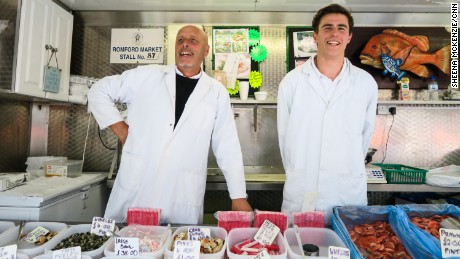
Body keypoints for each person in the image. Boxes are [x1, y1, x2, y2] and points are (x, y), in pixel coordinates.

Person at [88, 25, 252, 224]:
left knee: (176, 248)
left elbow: (228, 147)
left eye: (193, 40)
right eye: (180, 39)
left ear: (206, 51)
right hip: (136, 190)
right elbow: (98, 91)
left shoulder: (217, 93)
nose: (185, 44)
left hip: (181, 197)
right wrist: (122, 131)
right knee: (124, 246)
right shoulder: (146, 76)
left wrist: (238, 196)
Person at [277, 4, 377, 224]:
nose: (334, 34)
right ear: (315, 36)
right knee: (300, 252)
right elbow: (285, 140)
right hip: (303, 193)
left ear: (349, 37)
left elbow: (364, 137)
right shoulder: (292, 83)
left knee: (347, 249)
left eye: (341, 28)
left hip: (347, 192)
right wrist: (301, 172)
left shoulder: (365, 83)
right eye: (327, 28)